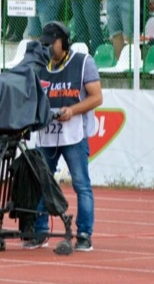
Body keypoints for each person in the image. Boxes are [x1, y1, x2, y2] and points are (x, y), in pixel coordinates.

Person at [30, 22, 101, 252]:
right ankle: (39, 231)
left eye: (52, 43)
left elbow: (96, 97)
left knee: (81, 184)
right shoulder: (39, 65)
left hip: (74, 134)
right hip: (47, 135)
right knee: (41, 181)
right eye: (45, 44)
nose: (48, 48)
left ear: (64, 42)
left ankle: (84, 234)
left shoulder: (82, 62)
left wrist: (72, 110)